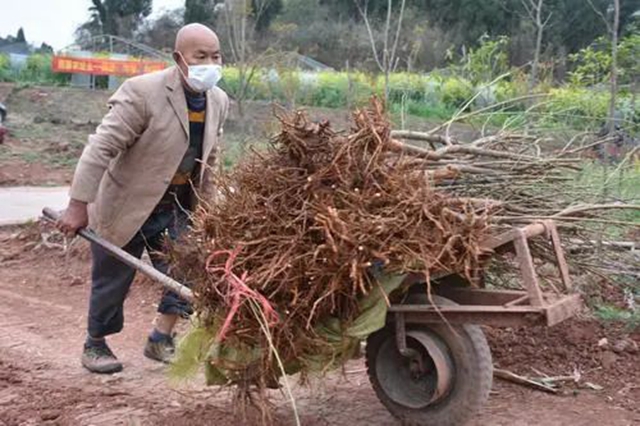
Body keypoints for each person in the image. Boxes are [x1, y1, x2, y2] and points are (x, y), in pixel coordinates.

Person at [56, 23, 229, 374]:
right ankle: (95, 344)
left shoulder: (219, 100)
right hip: (128, 203)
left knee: (187, 273)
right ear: (179, 58)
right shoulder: (142, 92)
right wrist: (77, 205)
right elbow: (101, 148)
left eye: (216, 56)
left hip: (178, 205)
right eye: (201, 56)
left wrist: (210, 212)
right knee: (112, 280)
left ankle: (160, 339)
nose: (209, 63)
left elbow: (210, 160)